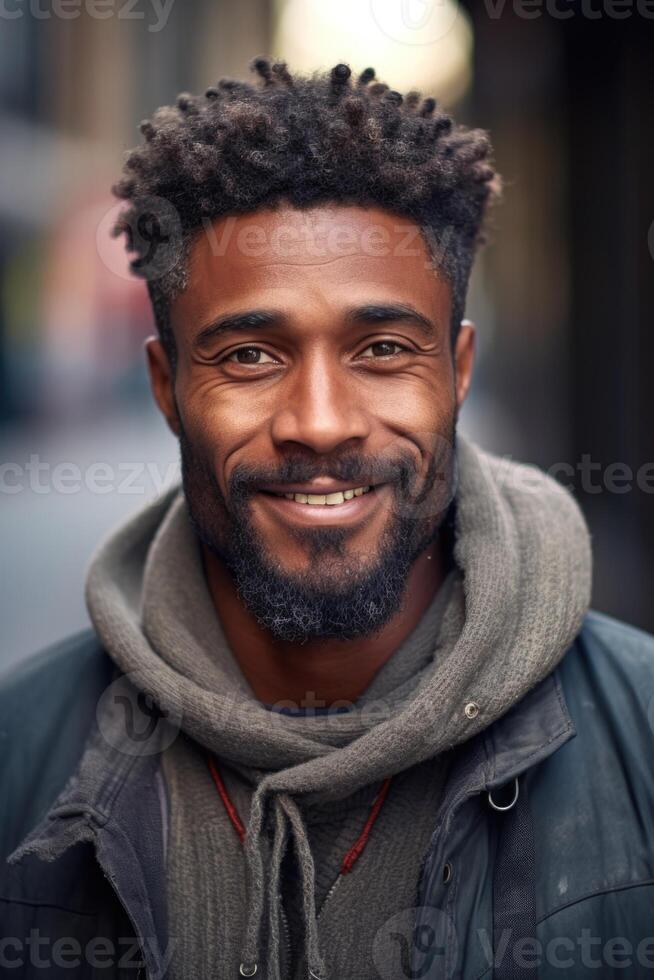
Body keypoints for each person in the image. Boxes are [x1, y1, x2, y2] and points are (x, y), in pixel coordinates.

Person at [1, 58, 653, 980]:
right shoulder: (17, 754)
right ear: (166, 387)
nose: (318, 422)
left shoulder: (643, 737)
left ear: (458, 372)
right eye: (252, 355)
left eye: (383, 349)